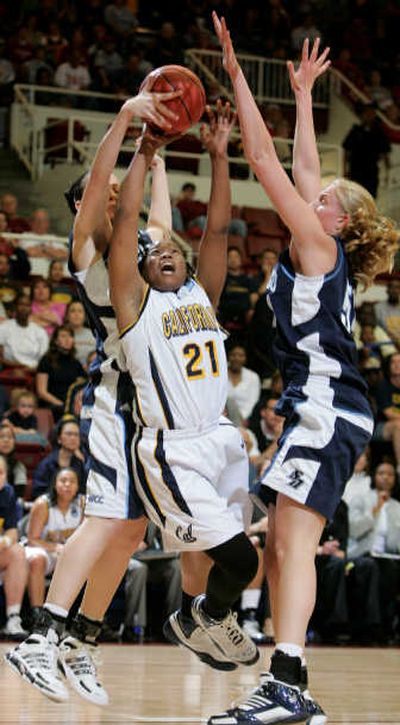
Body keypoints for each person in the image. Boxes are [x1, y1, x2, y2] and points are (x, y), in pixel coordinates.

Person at [210, 17, 398, 725]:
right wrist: (305, 95)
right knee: (287, 541)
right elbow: (306, 171)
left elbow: (266, 162)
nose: (310, 196)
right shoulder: (324, 241)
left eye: (324, 200)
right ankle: (287, 679)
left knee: (291, 540)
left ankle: (287, 683)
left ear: (339, 222)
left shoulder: (319, 242)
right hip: (324, 403)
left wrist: (236, 76)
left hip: (325, 402)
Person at [5, 89, 189, 705]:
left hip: (152, 401)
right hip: (113, 395)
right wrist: (126, 122)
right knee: (105, 516)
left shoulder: (143, 241)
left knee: (134, 529)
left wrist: (159, 159)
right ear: (85, 200)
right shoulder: (88, 245)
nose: (108, 191)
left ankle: (81, 641)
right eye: (98, 188)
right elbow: (105, 183)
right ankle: (40, 637)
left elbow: (164, 224)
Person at [108, 102, 258, 680]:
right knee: (238, 559)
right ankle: (200, 618)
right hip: (171, 450)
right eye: (154, 254)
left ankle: (202, 618)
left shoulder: (203, 295)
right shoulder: (134, 307)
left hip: (219, 439)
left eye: (173, 249)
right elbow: (126, 225)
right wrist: (145, 153)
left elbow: (217, 228)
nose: (164, 252)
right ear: (141, 271)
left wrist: (219, 154)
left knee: (241, 558)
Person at [25, 468, 84, 621]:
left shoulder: (83, 503)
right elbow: (32, 539)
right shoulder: (43, 504)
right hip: (43, 550)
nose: (67, 485)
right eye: (63, 481)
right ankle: (37, 614)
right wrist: (56, 547)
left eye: (72, 482)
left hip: (69, 553)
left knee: (88, 563)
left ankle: (77, 618)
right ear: (55, 484)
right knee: (37, 559)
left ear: (78, 486)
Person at [0, 454, 28, 639]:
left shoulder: (7, 493)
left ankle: (13, 618)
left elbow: (12, 532)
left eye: (0, 472)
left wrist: (5, 542)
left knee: (18, 552)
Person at [36, 325, 86, 421]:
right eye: (63, 336)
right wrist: (61, 404)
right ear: (55, 341)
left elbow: (83, 385)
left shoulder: (75, 362)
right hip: (53, 404)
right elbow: (42, 392)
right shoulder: (46, 360)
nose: (68, 339)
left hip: (72, 405)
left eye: (70, 336)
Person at [31, 418, 84, 500]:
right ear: (59, 439)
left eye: (76, 435)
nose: (73, 438)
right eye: (69, 434)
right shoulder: (46, 464)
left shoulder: (81, 463)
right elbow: (38, 492)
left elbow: (85, 491)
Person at [0, 293, 49, 371]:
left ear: (31, 309)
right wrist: (20, 367)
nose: (24, 308)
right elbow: (1, 359)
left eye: (27, 305)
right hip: (9, 371)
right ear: (15, 307)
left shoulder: (40, 331)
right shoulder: (3, 328)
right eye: (21, 304)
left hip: (35, 371)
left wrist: (34, 369)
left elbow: (44, 359)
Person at [64, 300, 95, 367]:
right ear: (66, 315)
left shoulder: (93, 335)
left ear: (85, 316)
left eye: (80, 311)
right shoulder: (60, 335)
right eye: (73, 311)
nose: (76, 314)